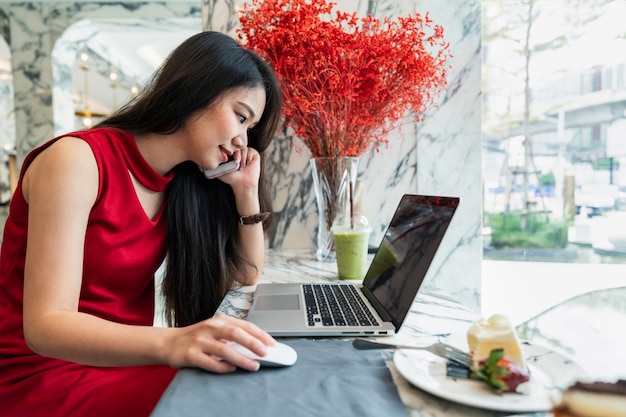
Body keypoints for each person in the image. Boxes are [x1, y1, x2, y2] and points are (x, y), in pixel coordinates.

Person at [0, 31, 283, 417]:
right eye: (240, 115)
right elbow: (45, 326)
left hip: (123, 363)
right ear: (199, 88)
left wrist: (246, 192)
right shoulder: (76, 160)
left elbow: (246, 275)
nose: (241, 140)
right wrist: (173, 342)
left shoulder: (182, 185)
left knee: (251, 384)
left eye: (248, 127)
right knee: (233, 399)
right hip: (41, 376)